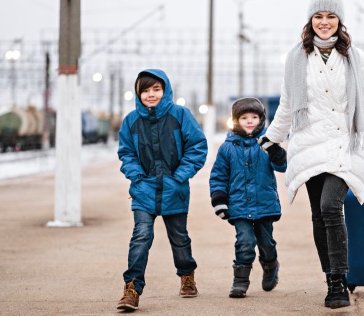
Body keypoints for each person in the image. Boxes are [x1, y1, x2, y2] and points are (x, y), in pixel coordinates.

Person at [258, 0, 364, 309]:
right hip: (308, 145)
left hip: (342, 145)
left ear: (340, 21)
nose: (324, 22)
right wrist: (271, 137)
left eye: (331, 16)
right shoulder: (297, 58)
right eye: (319, 16)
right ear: (311, 20)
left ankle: (339, 281)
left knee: (330, 207)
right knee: (318, 216)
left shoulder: (355, 58)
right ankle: (330, 279)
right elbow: (288, 105)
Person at [116, 69, 208, 311]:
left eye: (156, 89)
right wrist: (136, 175)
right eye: (145, 90)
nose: (151, 94)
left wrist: (179, 176)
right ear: (138, 93)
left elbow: (197, 147)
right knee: (141, 236)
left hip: (174, 189)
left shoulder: (180, 115)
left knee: (179, 239)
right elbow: (126, 152)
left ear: (165, 90)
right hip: (144, 190)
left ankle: (187, 275)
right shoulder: (131, 121)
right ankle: (132, 288)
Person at [209, 97, 287, 298]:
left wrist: (276, 152)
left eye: (254, 117)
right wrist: (219, 200)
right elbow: (219, 176)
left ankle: (271, 265)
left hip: (264, 204)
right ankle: (240, 281)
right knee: (244, 241)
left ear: (261, 119)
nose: (250, 121)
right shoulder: (227, 148)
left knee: (266, 242)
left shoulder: (267, 143)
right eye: (244, 117)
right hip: (239, 205)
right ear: (236, 120)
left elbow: (283, 166)